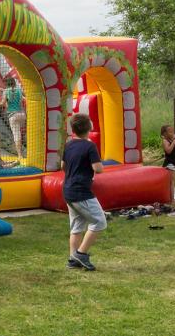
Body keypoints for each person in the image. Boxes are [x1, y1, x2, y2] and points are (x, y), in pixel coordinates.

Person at [62, 113, 106, 271]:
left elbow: (63, 166)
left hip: (68, 190)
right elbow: (97, 169)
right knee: (99, 222)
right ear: (89, 127)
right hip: (81, 192)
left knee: (76, 226)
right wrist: (99, 166)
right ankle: (80, 254)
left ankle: (72, 260)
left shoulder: (69, 145)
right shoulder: (89, 146)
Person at [5, 78, 26, 160]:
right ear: (14, 83)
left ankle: (20, 155)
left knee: (16, 135)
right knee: (23, 131)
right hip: (22, 115)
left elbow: (3, 103)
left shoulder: (6, 91)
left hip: (13, 115)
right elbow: (24, 99)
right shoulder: (19, 90)